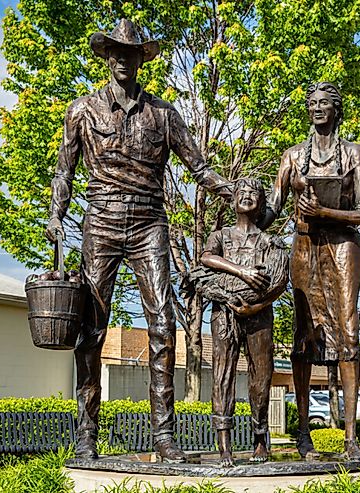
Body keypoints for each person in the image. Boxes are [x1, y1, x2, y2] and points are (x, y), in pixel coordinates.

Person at [45, 18, 232, 462]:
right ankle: (86, 436)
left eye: (131, 53)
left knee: (163, 325)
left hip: (150, 223)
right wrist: (56, 215)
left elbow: (199, 168)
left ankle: (163, 437)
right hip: (102, 221)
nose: (123, 60)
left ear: (139, 59)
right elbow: (63, 171)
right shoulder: (82, 111)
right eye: (116, 53)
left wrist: (234, 190)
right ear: (107, 58)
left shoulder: (164, 115)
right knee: (91, 329)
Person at [260, 82, 360, 460]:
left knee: (349, 330)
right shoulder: (292, 156)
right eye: (312, 104)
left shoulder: (353, 153)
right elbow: (273, 207)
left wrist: (325, 212)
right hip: (304, 244)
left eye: (324, 103)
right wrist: (244, 209)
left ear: (336, 109)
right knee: (303, 333)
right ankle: (303, 433)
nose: (317, 108)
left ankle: (351, 438)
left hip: (342, 244)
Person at [197, 179, 288, 467]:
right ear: (233, 200)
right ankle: (224, 445)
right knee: (222, 374)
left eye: (254, 194)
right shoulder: (221, 236)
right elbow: (206, 258)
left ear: (262, 204)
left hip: (259, 315)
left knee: (261, 375)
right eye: (242, 193)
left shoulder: (269, 241)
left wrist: (256, 306)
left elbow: (278, 282)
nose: (247, 197)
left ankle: (260, 438)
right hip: (224, 312)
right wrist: (243, 272)